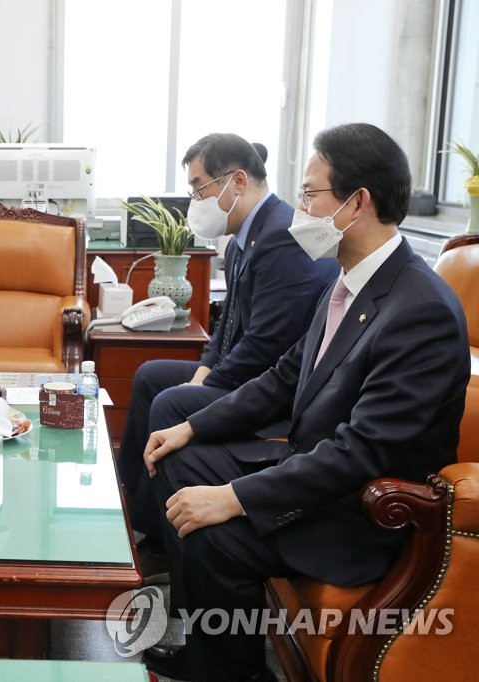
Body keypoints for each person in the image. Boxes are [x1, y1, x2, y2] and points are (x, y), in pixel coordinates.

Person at [139, 123, 470, 682]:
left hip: (358, 511)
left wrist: (234, 498)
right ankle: (208, 647)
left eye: (312, 193)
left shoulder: (420, 311)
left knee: (214, 525)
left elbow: (361, 452)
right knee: (178, 459)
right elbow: (284, 375)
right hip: (313, 469)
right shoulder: (351, 282)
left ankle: (234, 671)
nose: (300, 208)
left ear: (357, 202)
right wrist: (194, 427)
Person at [118, 134, 339, 551]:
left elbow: (266, 344)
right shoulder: (244, 236)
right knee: (151, 375)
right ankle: (135, 506)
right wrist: (204, 369)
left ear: (237, 181)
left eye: (200, 187)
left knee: (172, 402)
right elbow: (227, 323)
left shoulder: (283, 236)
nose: (195, 200)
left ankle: (162, 539)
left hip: (274, 388)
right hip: (247, 369)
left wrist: (208, 383)